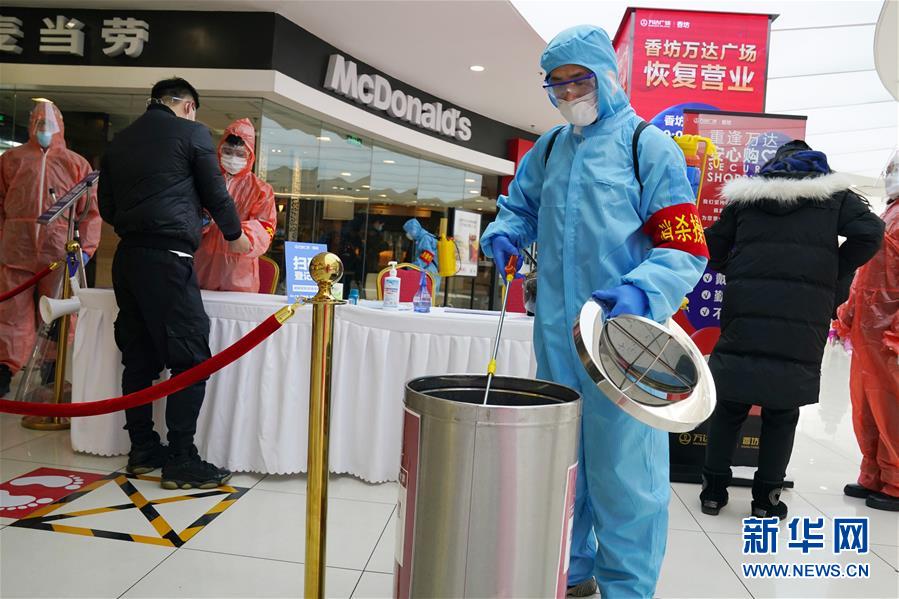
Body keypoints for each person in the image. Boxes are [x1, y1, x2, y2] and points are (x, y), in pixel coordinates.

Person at [480, 25, 709, 598]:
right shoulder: (550, 149)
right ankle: (570, 570)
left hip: (624, 340)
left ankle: (627, 587)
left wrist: (641, 291)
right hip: (558, 336)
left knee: (626, 470)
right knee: (561, 462)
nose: (568, 95)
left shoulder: (647, 147)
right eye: (556, 86)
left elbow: (685, 246)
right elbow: (520, 207)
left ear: (608, 76)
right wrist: (505, 232)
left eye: (578, 82)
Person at [699, 141, 884, 520]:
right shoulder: (835, 197)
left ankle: (713, 493)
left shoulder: (748, 197)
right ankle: (766, 500)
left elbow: (712, 243)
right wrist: (831, 270)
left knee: (729, 405)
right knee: (781, 412)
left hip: (746, 308)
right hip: (803, 316)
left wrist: (735, 269)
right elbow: (871, 232)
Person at [98, 78, 250, 489]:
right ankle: (182, 458)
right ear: (187, 107)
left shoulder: (119, 141)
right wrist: (235, 235)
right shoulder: (192, 133)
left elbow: (107, 207)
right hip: (168, 258)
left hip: (127, 258)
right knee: (192, 357)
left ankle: (143, 449)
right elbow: (215, 192)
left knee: (138, 356)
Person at [0, 100, 101, 397]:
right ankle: (5, 368)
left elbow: (91, 212)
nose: (45, 129)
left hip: (58, 252)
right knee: (10, 312)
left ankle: (50, 369)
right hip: (16, 250)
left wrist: (85, 251)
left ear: (60, 127)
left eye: (50, 124)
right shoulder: (11, 160)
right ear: (32, 125)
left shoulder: (75, 163)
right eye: (40, 123)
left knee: (57, 312)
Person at [835, 149, 899, 512]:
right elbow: (866, 275)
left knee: (891, 409)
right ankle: (873, 473)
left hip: (889, 334)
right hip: (869, 331)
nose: (890, 174)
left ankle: (896, 481)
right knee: (867, 406)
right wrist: (847, 314)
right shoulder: (890, 212)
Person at [194, 118, 276, 292]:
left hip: (239, 271)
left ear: (250, 155)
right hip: (201, 261)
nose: (233, 158)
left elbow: (266, 226)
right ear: (219, 150)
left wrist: (241, 236)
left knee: (235, 309)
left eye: (240, 154)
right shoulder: (204, 181)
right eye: (228, 151)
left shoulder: (261, 190)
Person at [403, 218, 440, 292]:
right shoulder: (421, 238)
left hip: (429, 270)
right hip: (427, 270)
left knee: (427, 293)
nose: (407, 234)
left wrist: (414, 266)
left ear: (413, 230)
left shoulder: (425, 238)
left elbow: (428, 255)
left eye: (408, 231)